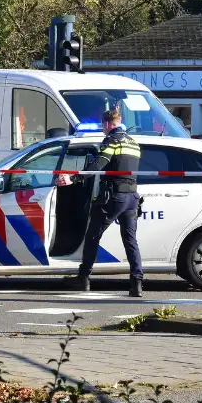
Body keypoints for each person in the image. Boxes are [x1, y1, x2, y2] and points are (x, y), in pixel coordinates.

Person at [56, 109, 143, 297]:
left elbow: (98, 165)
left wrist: (74, 179)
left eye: (103, 126)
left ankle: (84, 278)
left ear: (106, 124)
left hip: (114, 197)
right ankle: (136, 283)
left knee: (93, 236)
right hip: (132, 197)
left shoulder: (112, 140)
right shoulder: (133, 143)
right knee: (130, 241)